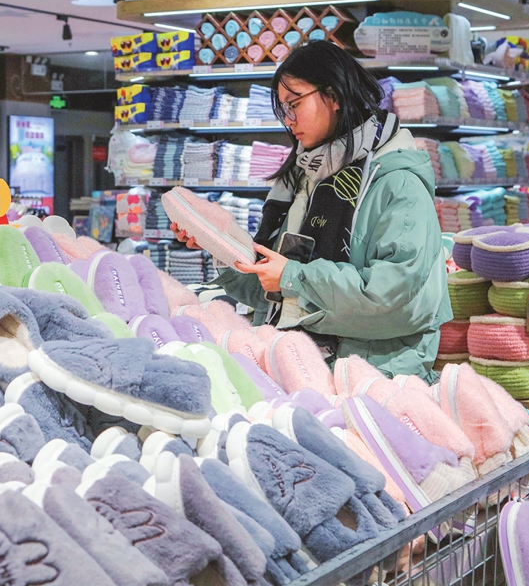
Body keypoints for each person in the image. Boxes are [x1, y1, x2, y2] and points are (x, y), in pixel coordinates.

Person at [172, 41, 451, 379]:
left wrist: (293, 277)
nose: (288, 121)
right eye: (283, 109)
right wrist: (221, 246)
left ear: (333, 96)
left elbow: (394, 298)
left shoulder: (398, 184)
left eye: (295, 104)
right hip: (298, 371)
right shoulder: (302, 180)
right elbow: (272, 295)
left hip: (368, 383)